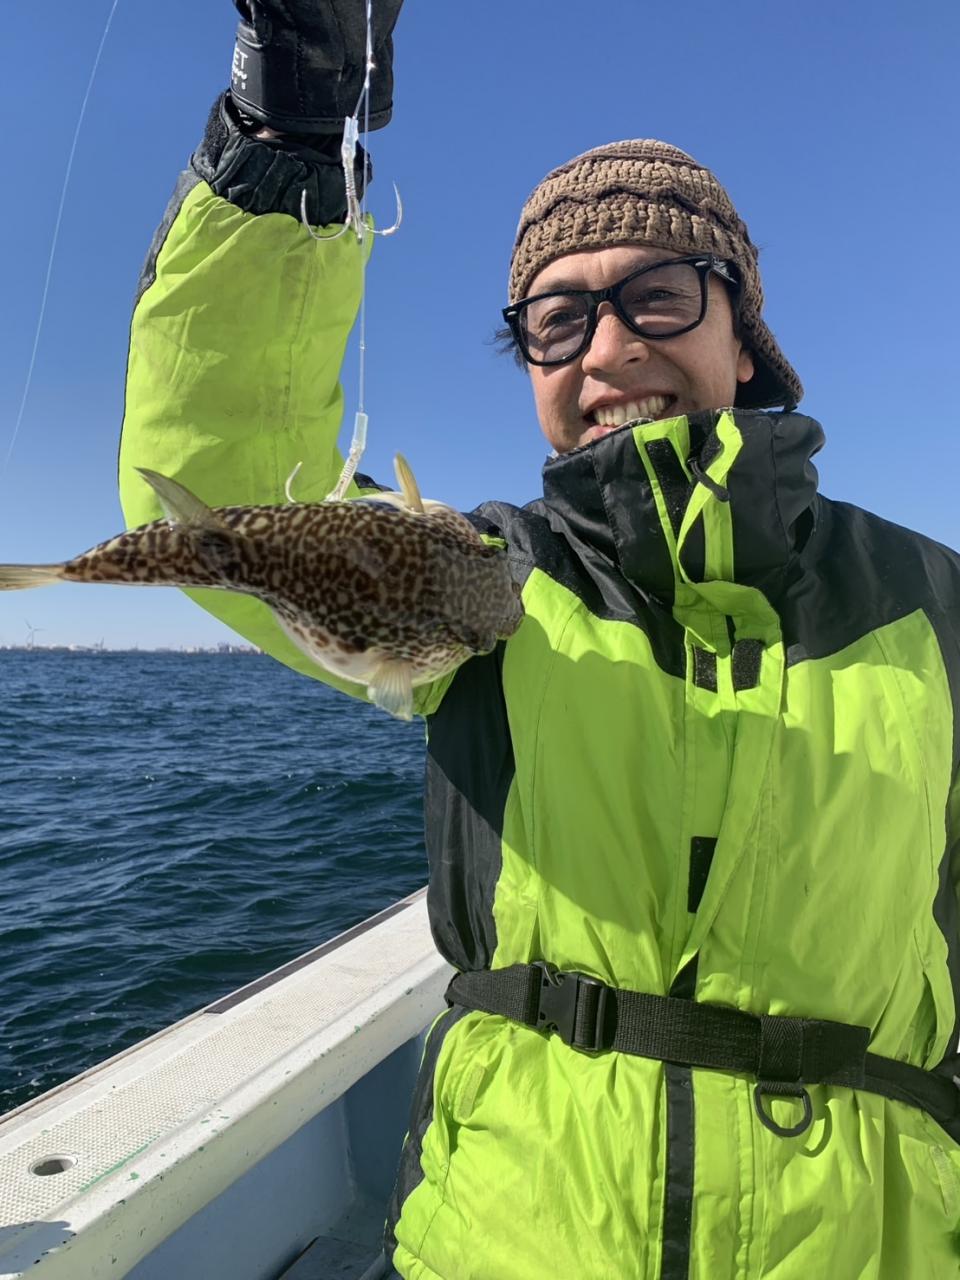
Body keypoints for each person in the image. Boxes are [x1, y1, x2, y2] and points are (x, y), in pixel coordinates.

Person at [118, 3, 960, 1277]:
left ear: (744, 334)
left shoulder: (932, 599)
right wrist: (286, 128)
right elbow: (221, 483)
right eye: (558, 321)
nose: (609, 349)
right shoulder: (480, 577)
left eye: (657, 296)